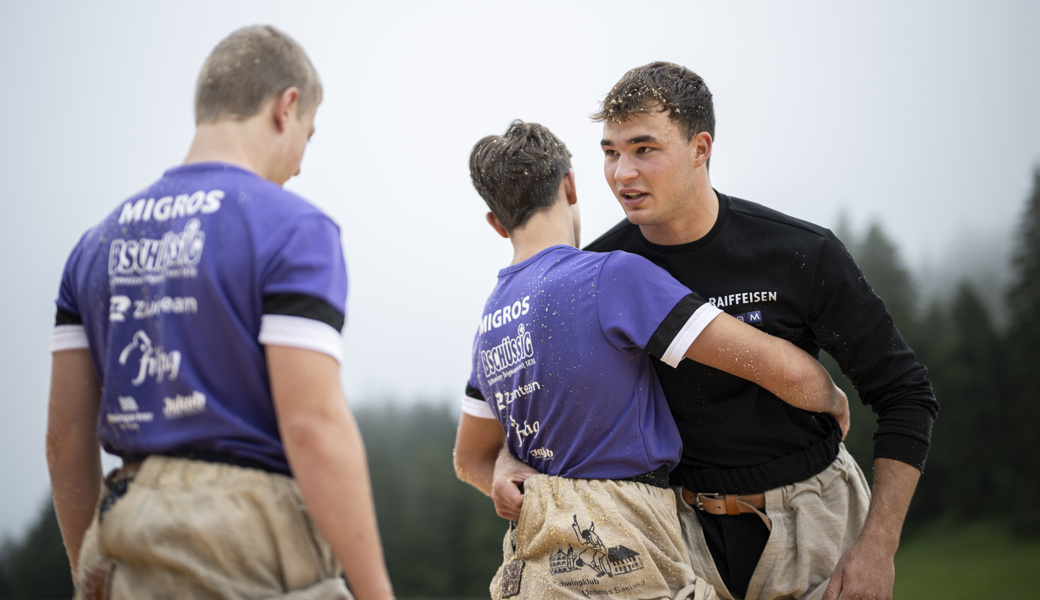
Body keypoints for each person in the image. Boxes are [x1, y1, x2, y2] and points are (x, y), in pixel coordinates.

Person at [488, 63, 939, 600]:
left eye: (644, 149)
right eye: (610, 152)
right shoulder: (597, 275)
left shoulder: (799, 252)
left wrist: (878, 547)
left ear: (700, 148)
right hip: (675, 539)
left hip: (816, 522)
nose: (622, 173)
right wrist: (507, 459)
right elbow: (526, 403)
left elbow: (906, 394)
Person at [46, 25, 393, 600]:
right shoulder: (295, 230)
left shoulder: (93, 245)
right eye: (308, 136)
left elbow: (65, 440)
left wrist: (93, 572)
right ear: (286, 107)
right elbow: (311, 427)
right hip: (244, 537)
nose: (299, 166)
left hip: (122, 535)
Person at [454, 120, 851, 600]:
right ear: (570, 186)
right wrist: (832, 400)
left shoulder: (490, 322)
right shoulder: (611, 277)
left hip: (538, 564)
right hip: (624, 541)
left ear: (496, 223)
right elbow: (778, 366)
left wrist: (511, 475)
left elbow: (469, 459)